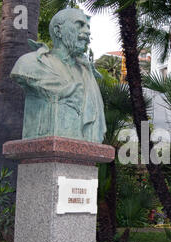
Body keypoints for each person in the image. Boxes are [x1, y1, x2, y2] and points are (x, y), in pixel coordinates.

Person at [11, 8, 106, 143]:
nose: (87, 31)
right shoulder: (30, 64)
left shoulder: (86, 73)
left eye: (88, 27)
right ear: (58, 31)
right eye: (80, 24)